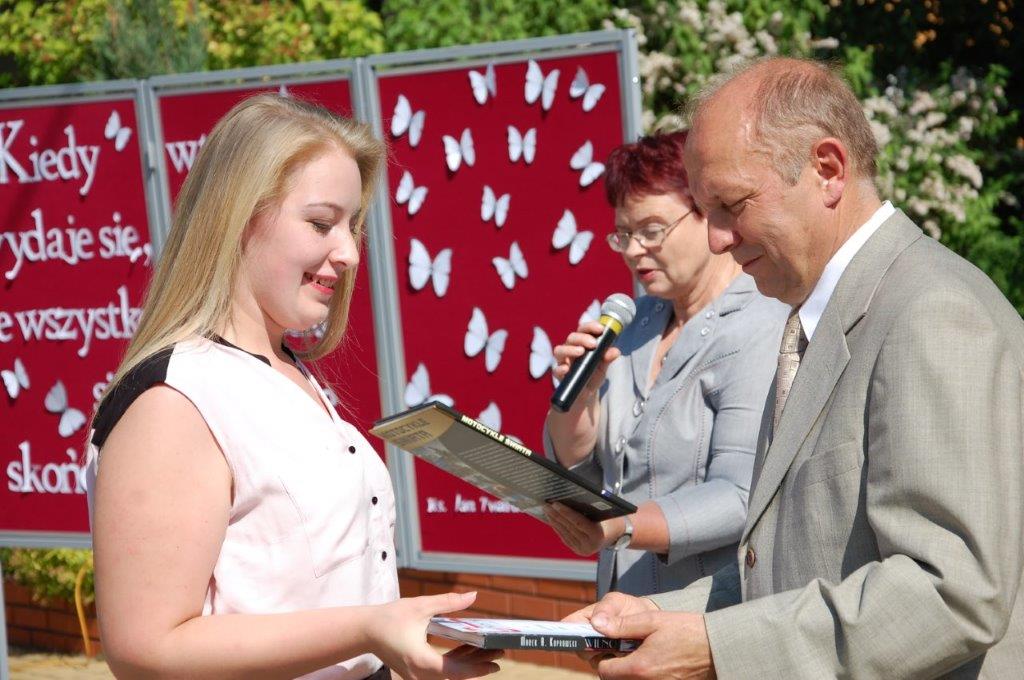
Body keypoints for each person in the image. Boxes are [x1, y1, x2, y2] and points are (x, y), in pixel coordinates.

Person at [570, 57, 1024, 679]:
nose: (718, 238)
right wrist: (654, 616)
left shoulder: (932, 313)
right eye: (706, 210)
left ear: (827, 170)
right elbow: (789, 563)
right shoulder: (818, 319)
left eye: (731, 205)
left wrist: (718, 649)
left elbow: (952, 593)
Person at [85, 94, 500, 680]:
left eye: (351, 226)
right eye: (321, 223)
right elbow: (145, 648)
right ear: (238, 216)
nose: (349, 253)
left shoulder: (285, 370)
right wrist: (368, 629)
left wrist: (387, 634)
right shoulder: (173, 401)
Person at [542, 131, 788, 598]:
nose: (634, 250)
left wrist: (622, 526)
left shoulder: (762, 322)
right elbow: (591, 475)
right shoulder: (631, 326)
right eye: (624, 235)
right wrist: (580, 401)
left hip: (707, 614)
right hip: (622, 606)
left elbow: (742, 495)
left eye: (651, 230)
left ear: (709, 214)